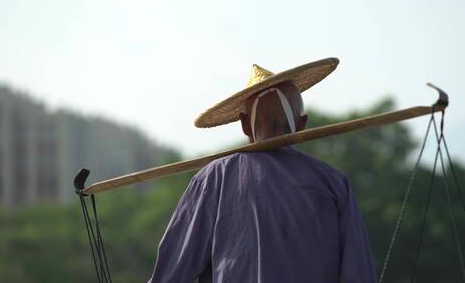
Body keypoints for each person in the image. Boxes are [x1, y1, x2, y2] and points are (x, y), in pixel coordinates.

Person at [148, 58, 377, 283]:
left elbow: (170, 275)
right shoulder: (334, 183)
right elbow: (360, 274)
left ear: (245, 124)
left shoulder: (213, 180)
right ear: (302, 125)